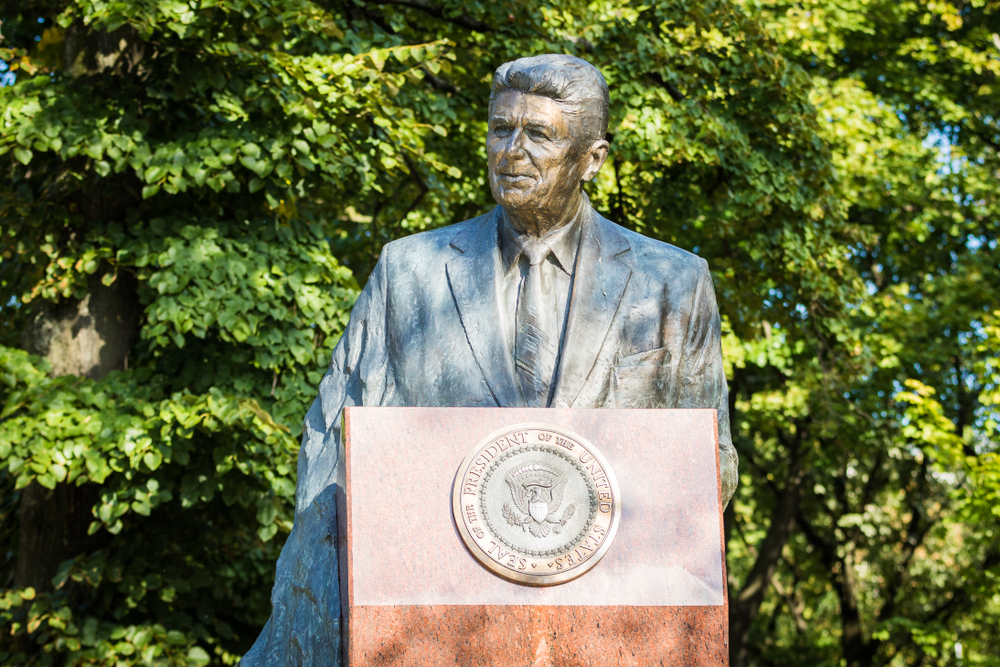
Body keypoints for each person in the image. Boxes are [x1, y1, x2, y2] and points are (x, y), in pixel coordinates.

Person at [242, 53, 738, 666]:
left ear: (593, 159)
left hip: (608, 621)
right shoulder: (411, 271)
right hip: (430, 618)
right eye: (501, 129)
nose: (512, 150)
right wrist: (336, 589)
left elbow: (710, 464)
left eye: (539, 135)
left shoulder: (672, 282)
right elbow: (332, 445)